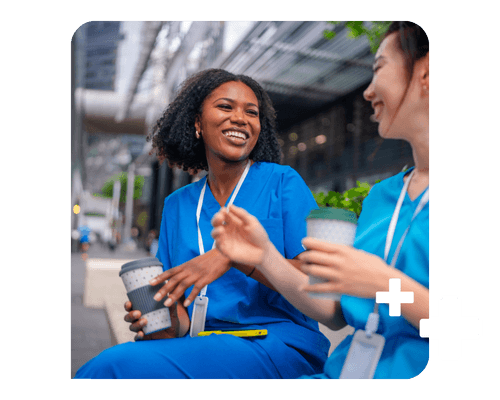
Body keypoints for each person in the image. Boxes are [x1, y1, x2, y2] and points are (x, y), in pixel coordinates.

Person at [74, 69, 329, 379]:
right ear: (196, 123)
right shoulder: (177, 205)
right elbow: (180, 317)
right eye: (225, 107)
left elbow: (320, 279)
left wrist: (236, 258)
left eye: (252, 112)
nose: (240, 118)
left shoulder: (283, 184)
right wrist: (160, 319)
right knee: (121, 358)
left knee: (115, 367)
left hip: (276, 342)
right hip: (199, 342)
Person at [212, 21, 430, 380]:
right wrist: (265, 256)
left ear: (426, 72)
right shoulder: (382, 196)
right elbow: (336, 311)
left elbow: (472, 329)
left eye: (378, 68)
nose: (367, 91)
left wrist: (385, 283)